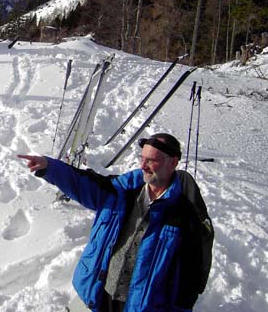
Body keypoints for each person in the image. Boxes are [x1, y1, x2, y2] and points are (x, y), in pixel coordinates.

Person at [19, 133, 213, 312]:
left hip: (140, 306)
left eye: (152, 161)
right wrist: (49, 167)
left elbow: (188, 282)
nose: (143, 166)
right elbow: (82, 183)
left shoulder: (185, 217)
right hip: (99, 293)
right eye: (142, 158)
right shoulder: (121, 191)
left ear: (173, 163)